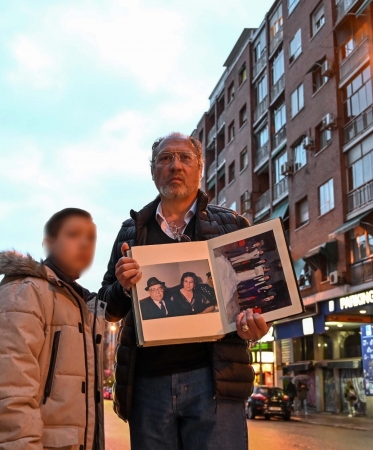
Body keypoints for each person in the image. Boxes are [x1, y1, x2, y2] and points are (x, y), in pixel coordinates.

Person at [99, 132, 269, 450]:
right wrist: (122, 287)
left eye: (184, 157)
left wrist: (255, 327)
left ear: (199, 168)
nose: (175, 165)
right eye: (165, 158)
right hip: (147, 386)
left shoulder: (232, 226)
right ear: (153, 171)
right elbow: (107, 308)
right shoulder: (131, 232)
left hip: (214, 383)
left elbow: (254, 304)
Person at [0, 208, 104, 450]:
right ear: (48, 243)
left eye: (91, 238)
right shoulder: (23, 293)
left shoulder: (77, 303)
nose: (84, 244)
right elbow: (10, 394)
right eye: (73, 234)